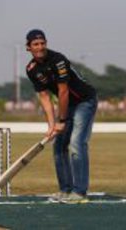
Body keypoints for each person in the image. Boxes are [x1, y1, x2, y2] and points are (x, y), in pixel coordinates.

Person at [26, 29, 97, 203]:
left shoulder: (58, 60)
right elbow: (45, 97)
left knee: (76, 143)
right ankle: (65, 190)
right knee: (58, 147)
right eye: (36, 44)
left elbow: (63, 92)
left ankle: (79, 192)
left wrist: (62, 121)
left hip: (84, 101)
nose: (40, 46)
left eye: (42, 43)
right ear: (28, 47)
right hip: (68, 106)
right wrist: (51, 126)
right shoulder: (32, 69)